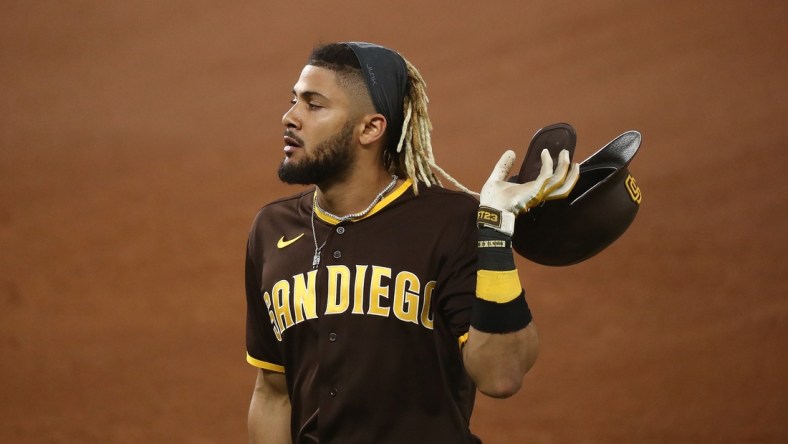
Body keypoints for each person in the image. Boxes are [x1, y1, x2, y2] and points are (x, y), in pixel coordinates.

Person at [245, 41, 578, 444]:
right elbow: (272, 392)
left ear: (370, 128)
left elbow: (501, 376)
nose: (289, 117)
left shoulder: (448, 224)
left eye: (313, 105)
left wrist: (493, 231)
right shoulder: (272, 229)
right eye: (294, 100)